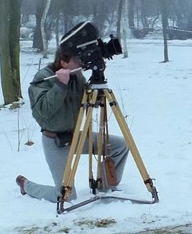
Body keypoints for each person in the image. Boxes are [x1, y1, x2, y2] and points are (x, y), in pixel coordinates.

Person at [16, 34, 129, 202]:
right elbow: (44, 110)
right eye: (77, 60)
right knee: (66, 196)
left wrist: (97, 90)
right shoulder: (42, 79)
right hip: (55, 141)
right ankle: (26, 186)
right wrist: (60, 85)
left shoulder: (77, 77)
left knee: (120, 145)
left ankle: (105, 186)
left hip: (77, 136)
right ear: (63, 62)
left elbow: (87, 100)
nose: (81, 63)